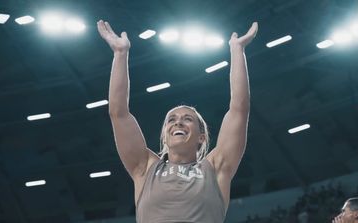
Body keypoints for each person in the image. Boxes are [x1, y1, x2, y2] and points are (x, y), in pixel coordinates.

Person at [97, 19, 258, 222]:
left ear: (201, 137)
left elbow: (239, 111)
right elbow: (118, 113)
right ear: (164, 135)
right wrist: (120, 54)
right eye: (171, 119)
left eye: (187, 119)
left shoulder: (216, 168)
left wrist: (237, 50)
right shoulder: (145, 167)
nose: (178, 122)